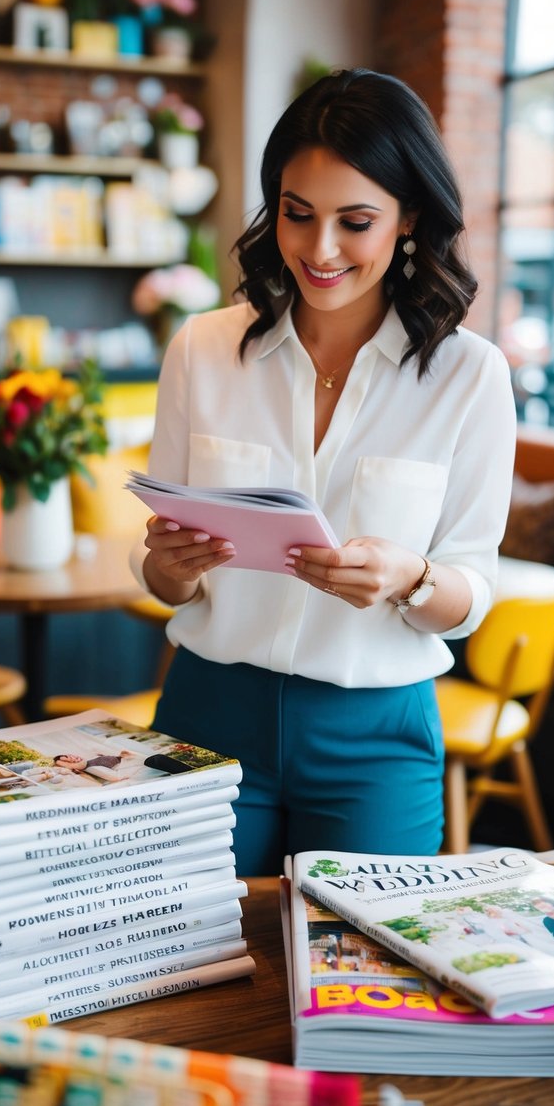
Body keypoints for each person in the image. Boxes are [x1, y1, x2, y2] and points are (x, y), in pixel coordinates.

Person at [131, 69, 516, 876]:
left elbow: (471, 591)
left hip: (374, 735)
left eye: (356, 221)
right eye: (296, 215)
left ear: (409, 217)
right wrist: (165, 568)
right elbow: (164, 576)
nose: (319, 249)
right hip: (208, 711)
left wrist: (410, 577)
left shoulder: (468, 376)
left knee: (368, 989)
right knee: (180, 978)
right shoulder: (202, 349)